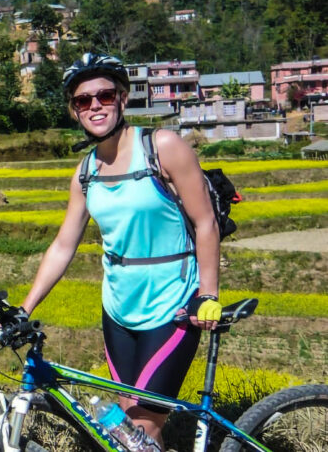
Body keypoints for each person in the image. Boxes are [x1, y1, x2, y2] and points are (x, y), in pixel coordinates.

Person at [18, 53, 223, 448]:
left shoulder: (162, 147)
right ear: (74, 110)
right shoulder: (85, 173)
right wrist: (25, 308)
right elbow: (64, 245)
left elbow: (205, 223)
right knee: (126, 429)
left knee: (142, 428)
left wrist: (208, 294)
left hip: (173, 303)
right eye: (83, 100)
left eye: (105, 95)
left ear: (123, 99)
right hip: (118, 307)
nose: (95, 105)